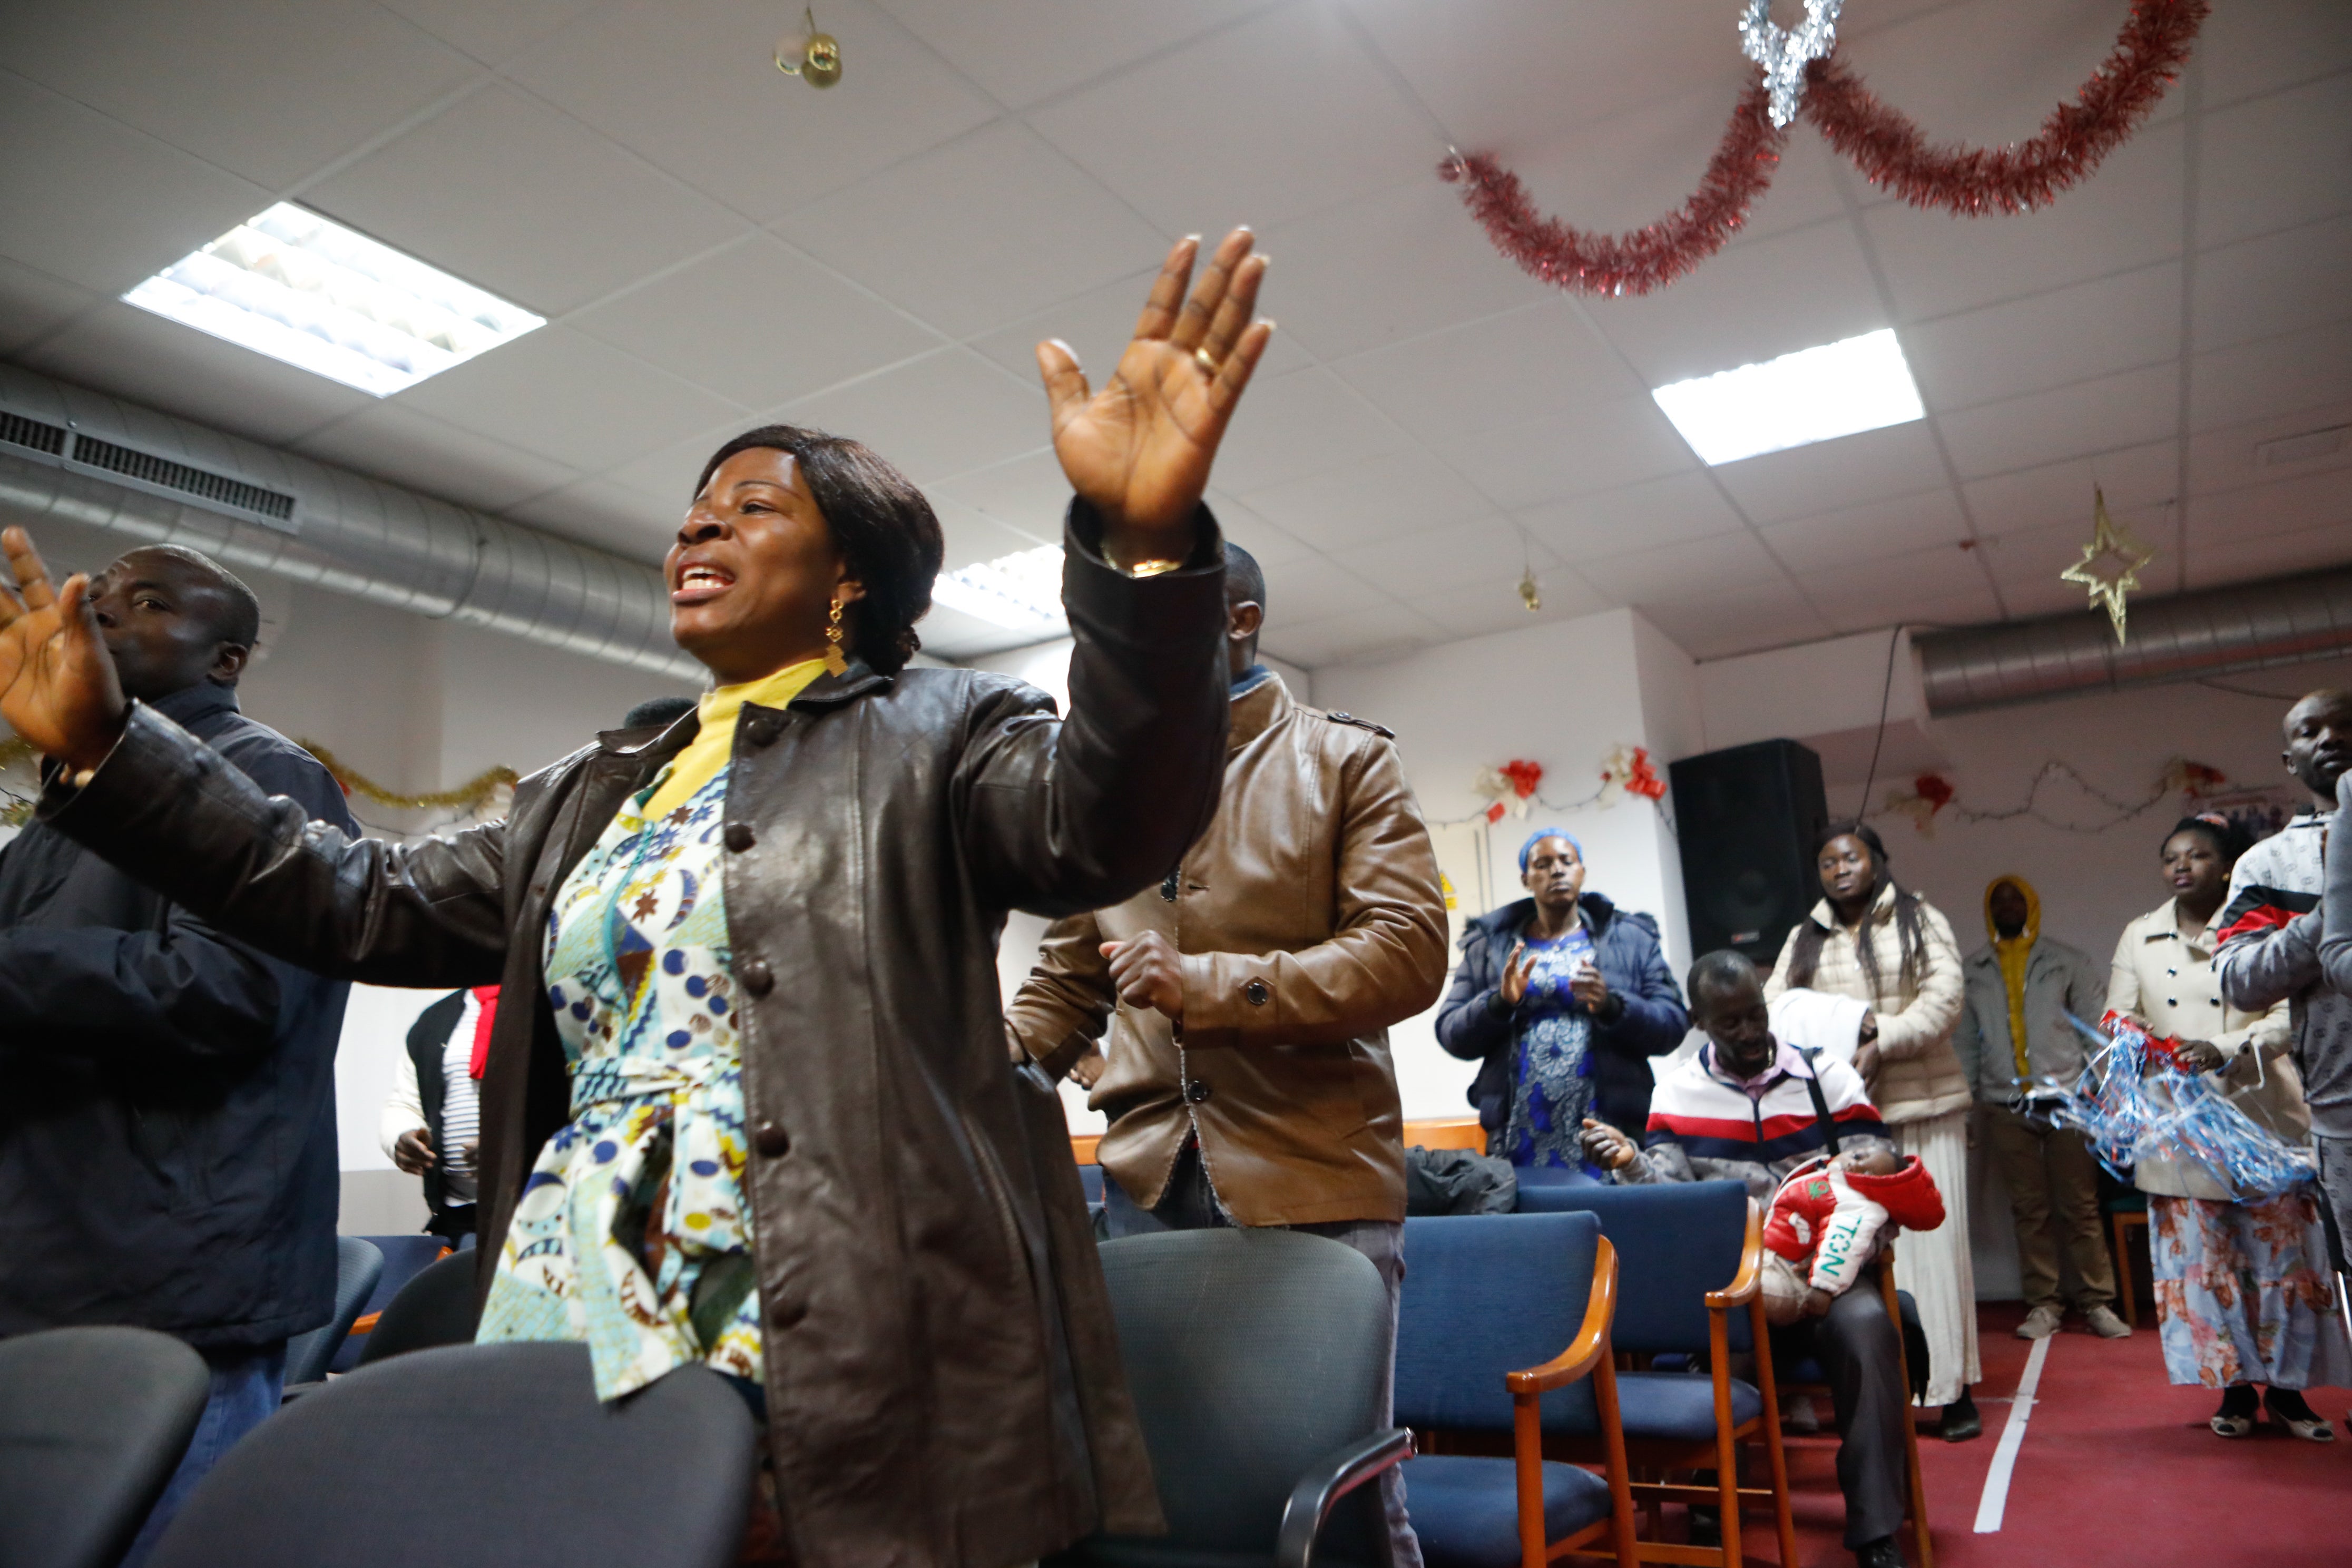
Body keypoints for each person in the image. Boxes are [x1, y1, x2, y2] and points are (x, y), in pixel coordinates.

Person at [0, 228, 1274, 1568]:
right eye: (691, 507)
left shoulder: (943, 725)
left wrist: (1142, 556)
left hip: (838, 1290)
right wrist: (108, 752)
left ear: (852, 576)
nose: (696, 523)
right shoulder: (599, 779)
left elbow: (1109, 819)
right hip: (578, 1268)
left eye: (750, 505)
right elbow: (352, 899)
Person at [1004, 540, 1447, 1568]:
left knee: (1341, 1503)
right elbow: (1070, 974)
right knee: (1162, 1496)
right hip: (1147, 1186)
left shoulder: (1347, 759)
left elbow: (1407, 954)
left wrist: (1211, 985)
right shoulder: (1114, 787)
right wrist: (982, 1060)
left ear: (1237, 621)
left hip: (1315, 1178)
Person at [0, 543, 354, 1561]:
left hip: (171, 1273)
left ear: (226, 659)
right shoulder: (60, 814)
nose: (100, 614)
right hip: (52, 1254)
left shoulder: (268, 775)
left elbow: (229, 990)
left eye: (145, 604)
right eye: (97, 598)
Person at [1581, 952, 1915, 1568]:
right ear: (1700, 1023)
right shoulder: (1677, 1092)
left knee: (1870, 1332)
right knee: (1711, 1340)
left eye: (1756, 1014)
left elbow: (1883, 1166)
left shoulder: (1827, 1078)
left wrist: (1860, 1200)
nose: (1750, 1032)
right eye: (1730, 1022)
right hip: (1736, 1287)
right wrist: (1630, 1163)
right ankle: (1714, 1508)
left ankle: (1876, 1532)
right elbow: (1673, 1210)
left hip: (1828, 1283)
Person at [2114, 815, 2348, 1439]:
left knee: (2283, 1263)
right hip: (2180, 1122)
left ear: (2229, 866)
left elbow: (2288, 1014)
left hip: (2263, 1115)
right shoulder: (2141, 934)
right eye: (2170, 856)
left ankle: (2293, 1394)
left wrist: (2226, 1048)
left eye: (2197, 855)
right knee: (2207, 1266)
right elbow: (2119, 1013)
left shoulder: (2264, 924)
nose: (2181, 865)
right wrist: (2140, 1044)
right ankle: (2236, 1392)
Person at [1765, 822, 1981, 1440]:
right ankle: (1886, 1392)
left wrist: (1879, 1041)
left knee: (1935, 1257)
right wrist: (1834, 1061)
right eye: (1828, 861)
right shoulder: (1802, 937)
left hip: (1923, 1105)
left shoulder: (1919, 918)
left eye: (1851, 857)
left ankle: (1951, 1390)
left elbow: (1944, 1000)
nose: (1839, 870)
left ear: (1878, 862)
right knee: (1856, 1257)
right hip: (1845, 1123)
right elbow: (1776, 1007)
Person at [2220, 688, 2352, 1404]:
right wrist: (2328, 919)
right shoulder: (2271, 864)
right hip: (2342, 1105)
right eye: (2312, 731)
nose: (2331, 738)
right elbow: (2238, 978)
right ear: (2289, 756)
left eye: (2345, 724)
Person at [1435, 829, 1688, 1160]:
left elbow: (1672, 1025)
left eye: (1567, 861)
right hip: (1517, 1131)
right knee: (1533, 1211)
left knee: (1610, 1210)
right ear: (1526, 879)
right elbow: (1452, 1033)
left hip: (1609, 1129)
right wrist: (1498, 1004)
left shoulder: (1631, 939)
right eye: (1542, 864)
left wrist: (1612, 1006)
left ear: (1582, 871)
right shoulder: (1490, 946)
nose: (1557, 870)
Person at [1951, 874, 2128, 1341]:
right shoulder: (1974, 971)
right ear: (1990, 911)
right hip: (2005, 1104)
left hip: (2069, 1100)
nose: (2008, 907)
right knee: (2029, 1210)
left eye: (2016, 900)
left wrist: (2103, 1092)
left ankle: (2098, 1303)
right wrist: (1967, 1111)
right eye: (1999, 901)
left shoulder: (2065, 962)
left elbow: (2096, 1030)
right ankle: (2044, 1305)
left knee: (2080, 1206)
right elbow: (1966, 1044)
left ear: (2032, 904)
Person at [1761, 1147, 1945, 1328]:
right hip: (1767, 1257)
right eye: (1857, 1156)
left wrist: (1824, 1288)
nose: (1854, 1166)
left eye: (1867, 1173)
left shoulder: (1855, 1205)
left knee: (1749, 1291)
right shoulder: (1832, 1179)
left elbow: (1842, 1247)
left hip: (1794, 1281)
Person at [381, 985, 495, 1243]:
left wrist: (514, 1150)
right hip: (457, 1220)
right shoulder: (434, 1019)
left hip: (539, 1210)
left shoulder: (554, 1006)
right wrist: (400, 1136)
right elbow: (405, 1103)